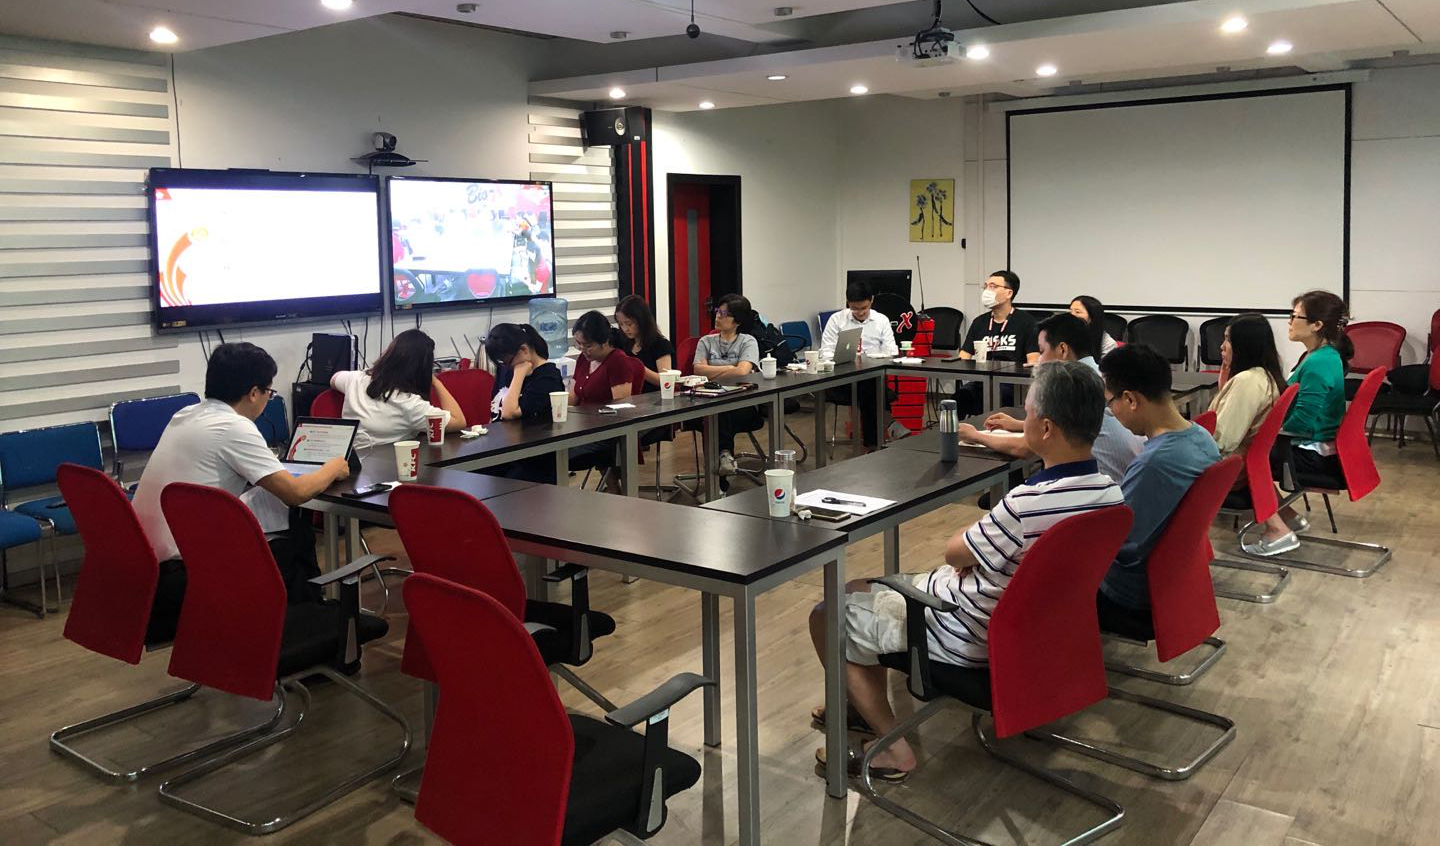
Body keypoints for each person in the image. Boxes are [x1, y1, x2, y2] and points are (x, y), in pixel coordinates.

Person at [808, 360, 1123, 780]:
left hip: (967, 636)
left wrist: (973, 537)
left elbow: (955, 553)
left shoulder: (1026, 505)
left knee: (827, 613)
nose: (1024, 420)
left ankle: (893, 751)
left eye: (1029, 413)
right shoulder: (1109, 494)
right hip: (1044, 636)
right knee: (858, 588)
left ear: (1046, 428)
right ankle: (859, 704)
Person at [132, 342, 351, 623]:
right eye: (269, 392)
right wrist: (333, 467)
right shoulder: (234, 427)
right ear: (254, 393)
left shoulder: (186, 414)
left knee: (275, 518)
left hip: (147, 566)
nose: (267, 399)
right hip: (183, 573)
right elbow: (295, 493)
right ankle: (303, 628)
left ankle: (295, 626)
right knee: (293, 537)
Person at [1096, 344, 1220, 635]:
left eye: (1110, 403)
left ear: (1131, 399)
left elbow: (1116, 541)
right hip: (1173, 583)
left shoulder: (1155, 463)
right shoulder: (1202, 437)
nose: (1111, 411)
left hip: (1127, 595)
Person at [960, 313, 1144, 483]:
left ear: (1063, 349)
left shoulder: (1071, 383)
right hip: (1123, 481)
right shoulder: (1097, 373)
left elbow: (1025, 448)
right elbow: (1070, 423)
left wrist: (976, 436)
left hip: (1101, 484)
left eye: (1042, 351)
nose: (1039, 360)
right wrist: (1018, 424)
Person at [1243, 290, 1353, 556]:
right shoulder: (1322, 356)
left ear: (1317, 325)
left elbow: (1303, 421)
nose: (1289, 322)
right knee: (1248, 448)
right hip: (1312, 446)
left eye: (1295, 316)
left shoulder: (1319, 363)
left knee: (1241, 457)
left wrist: (1266, 436)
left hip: (1311, 454)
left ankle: (1278, 532)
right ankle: (1288, 516)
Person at [330, 329, 466, 450]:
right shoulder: (410, 405)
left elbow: (334, 379)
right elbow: (459, 421)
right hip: (391, 465)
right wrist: (436, 382)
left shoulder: (356, 379)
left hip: (349, 463)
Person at [819, 278, 899, 450]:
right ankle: (884, 431)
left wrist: (868, 358)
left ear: (872, 301)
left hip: (872, 377)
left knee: (870, 386)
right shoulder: (837, 320)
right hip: (843, 380)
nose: (860, 312)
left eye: (864, 308)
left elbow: (892, 351)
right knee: (873, 389)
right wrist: (843, 358)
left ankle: (874, 443)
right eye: (855, 308)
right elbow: (825, 352)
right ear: (848, 303)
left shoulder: (881, 320)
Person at [482, 323, 566, 483]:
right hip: (502, 449)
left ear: (524, 350)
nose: (506, 367)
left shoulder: (547, 378)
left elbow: (508, 412)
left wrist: (519, 374)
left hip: (531, 458)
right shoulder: (507, 369)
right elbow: (495, 411)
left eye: (508, 361)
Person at [692, 293, 764, 477]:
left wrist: (712, 371)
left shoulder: (748, 341)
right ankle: (724, 457)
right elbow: (698, 370)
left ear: (737, 320)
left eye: (723, 314)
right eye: (718, 311)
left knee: (720, 411)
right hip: (708, 400)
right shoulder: (705, 341)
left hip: (742, 403)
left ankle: (722, 468)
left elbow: (742, 372)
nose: (717, 316)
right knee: (715, 410)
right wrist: (731, 367)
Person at [954, 270, 1039, 414]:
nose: (987, 290)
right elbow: (964, 357)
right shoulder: (979, 322)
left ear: (1009, 293)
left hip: (1013, 384)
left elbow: (1033, 362)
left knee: (995, 398)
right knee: (958, 400)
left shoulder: (1027, 322)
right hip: (982, 381)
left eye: (993, 286)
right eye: (986, 286)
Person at [568, 311, 634, 489]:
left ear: (604, 341)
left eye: (588, 345)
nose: (583, 349)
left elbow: (621, 408)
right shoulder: (584, 359)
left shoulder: (617, 361)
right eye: (579, 344)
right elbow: (573, 396)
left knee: (554, 456)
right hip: (582, 427)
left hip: (604, 433)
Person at [1207, 313, 1285, 461]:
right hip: (1235, 460)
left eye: (1229, 340)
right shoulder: (1263, 375)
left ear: (1245, 346)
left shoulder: (1248, 381)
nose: (1222, 346)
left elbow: (1222, 441)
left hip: (1223, 464)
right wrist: (1225, 390)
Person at [615, 295, 674, 392]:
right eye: (621, 324)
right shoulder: (622, 342)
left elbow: (666, 382)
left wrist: (639, 368)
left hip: (652, 397)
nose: (625, 329)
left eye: (629, 324)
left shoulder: (661, 345)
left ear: (642, 321)